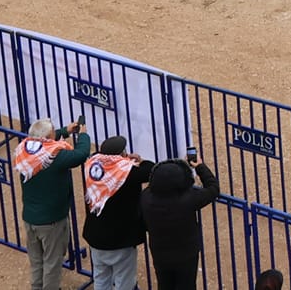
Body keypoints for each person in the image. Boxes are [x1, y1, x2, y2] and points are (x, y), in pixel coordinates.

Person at [17, 118, 93, 290]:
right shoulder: (54, 157)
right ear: (47, 138)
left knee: (37, 262)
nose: (54, 133)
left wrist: (65, 131)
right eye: (53, 131)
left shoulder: (24, 149)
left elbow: (43, 140)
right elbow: (81, 154)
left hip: (30, 219)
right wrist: (83, 135)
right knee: (52, 264)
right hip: (51, 222)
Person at [82, 136, 155, 290]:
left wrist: (123, 159)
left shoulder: (92, 165)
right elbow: (151, 170)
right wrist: (138, 161)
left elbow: (97, 154)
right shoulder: (128, 174)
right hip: (120, 240)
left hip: (96, 237)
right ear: (121, 155)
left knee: (101, 279)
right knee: (124, 282)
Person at [141, 153, 220, 290]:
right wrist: (199, 166)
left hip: (160, 254)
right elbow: (213, 188)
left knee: (164, 285)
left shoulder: (146, 198)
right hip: (186, 256)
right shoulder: (188, 199)